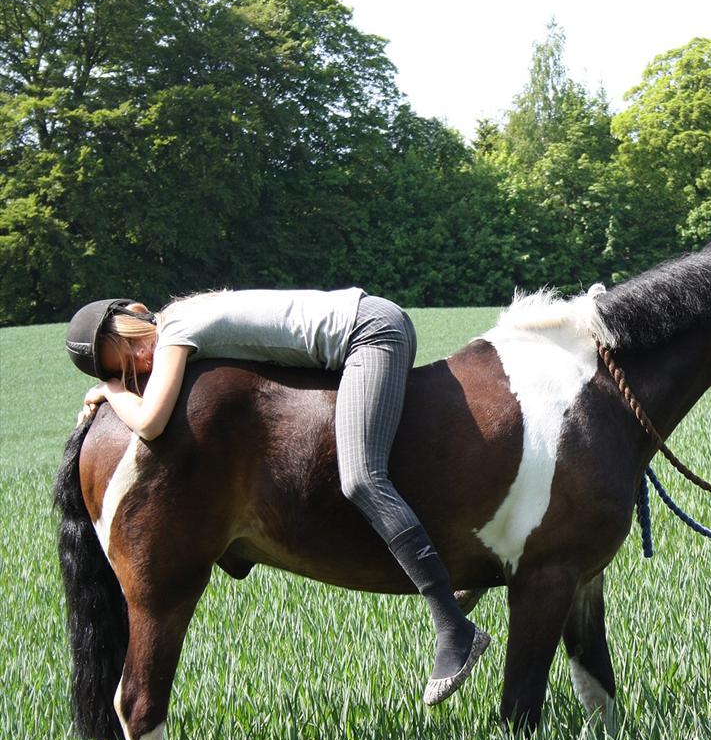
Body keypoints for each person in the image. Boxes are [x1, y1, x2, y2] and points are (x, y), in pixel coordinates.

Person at [65, 289, 490, 706]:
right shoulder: (185, 314)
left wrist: (113, 391)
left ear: (136, 317)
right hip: (364, 325)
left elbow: (152, 423)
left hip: (372, 332)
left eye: (129, 350)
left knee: (361, 477)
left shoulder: (176, 331)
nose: (140, 363)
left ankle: (454, 629)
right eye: (121, 369)